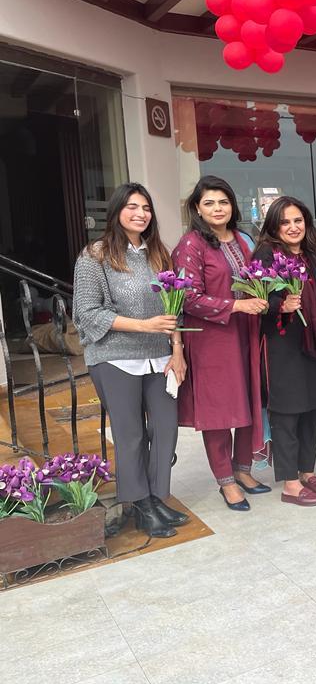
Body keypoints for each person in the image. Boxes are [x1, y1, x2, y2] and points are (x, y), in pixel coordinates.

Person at [73, 183, 189, 538]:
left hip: (160, 357)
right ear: (116, 211)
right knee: (131, 434)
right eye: (132, 206)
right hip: (114, 357)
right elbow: (86, 312)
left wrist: (178, 349)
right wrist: (143, 325)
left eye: (146, 208)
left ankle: (155, 497)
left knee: (166, 428)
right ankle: (139, 505)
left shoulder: (158, 254)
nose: (141, 213)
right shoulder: (95, 256)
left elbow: (175, 307)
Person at [173, 175, 269, 512]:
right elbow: (187, 298)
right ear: (197, 208)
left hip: (245, 333)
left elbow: (257, 281)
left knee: (247, 402)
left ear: (233, 205)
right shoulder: (191, 245)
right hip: (212, 340)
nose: (217, 208)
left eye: (223, 201)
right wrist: (237, 305)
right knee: (217, 412)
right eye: (209, 202)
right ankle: (225, 480)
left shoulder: (242, 241)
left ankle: (243, 470)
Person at [253, 196, 316, 506]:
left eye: (298, 220)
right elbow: (255, 298)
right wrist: (280, 305)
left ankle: (306, 470)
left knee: (313, 409)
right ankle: (289, 483)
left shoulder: (314, 255)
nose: (293, 227)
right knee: (287, 412)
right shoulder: (265, 254)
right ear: (274, 225)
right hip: (281, 344)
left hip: (314, 341)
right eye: (285, 222)